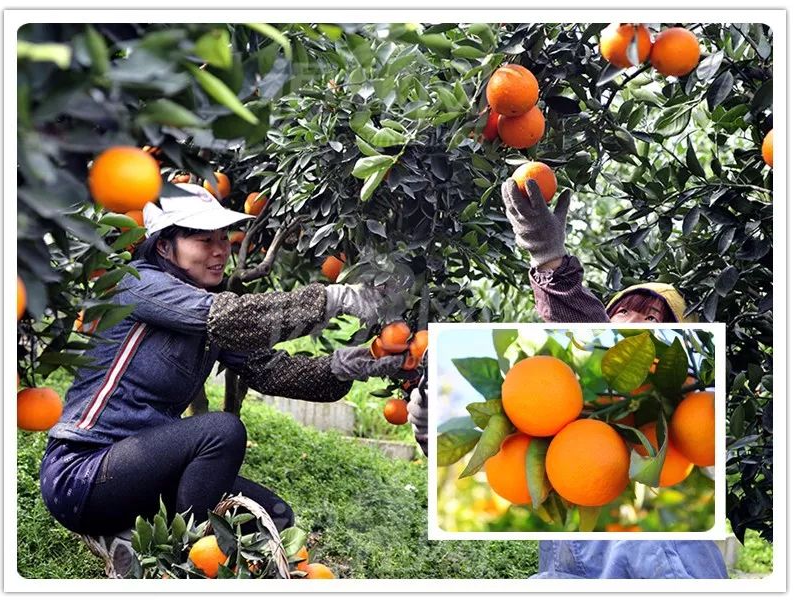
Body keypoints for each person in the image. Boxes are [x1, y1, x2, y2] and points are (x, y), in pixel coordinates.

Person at [40, 184, 412, 578]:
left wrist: (352, 364)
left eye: (223, 239)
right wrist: (336, 299)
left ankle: (132, 540)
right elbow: (231, 317)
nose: (220, 250)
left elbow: (272, 371)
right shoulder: (141, 284)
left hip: (142, 471)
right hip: (83, 473)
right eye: (204, 240)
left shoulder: (208, 311)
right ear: (165, 247)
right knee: (222, 430)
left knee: (276, 516)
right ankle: (179, 565)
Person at [499, 177, 728, 578]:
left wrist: (551, 260)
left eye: (653, 317)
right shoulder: (575, 410)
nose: (636, 322)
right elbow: (585, 321)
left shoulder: (684, 401)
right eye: (624, 312)